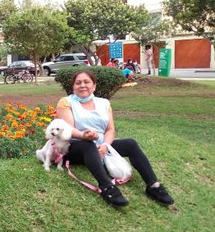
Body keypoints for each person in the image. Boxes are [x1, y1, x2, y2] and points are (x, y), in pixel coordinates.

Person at [55, 69, 174, 207]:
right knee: (88, 145)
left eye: (86, 82)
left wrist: (105, 146)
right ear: (73, 87)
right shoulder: (66, 102)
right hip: (75, 147)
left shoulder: (104, 103)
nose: (82, 85)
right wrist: (83, 135)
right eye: (78, 83)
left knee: (130, 144)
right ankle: (107, 188)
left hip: (99, 145)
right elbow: (68, 129)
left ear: (94, 86)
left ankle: (153, 186)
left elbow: (110, 129)